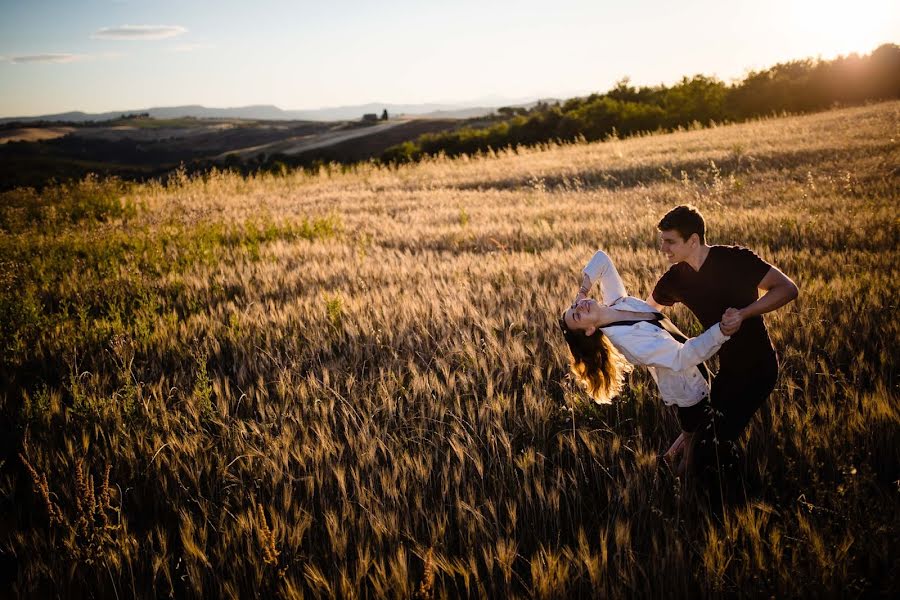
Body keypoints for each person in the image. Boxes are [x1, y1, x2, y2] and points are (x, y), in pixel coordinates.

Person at [646, 205, 798, 483]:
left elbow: (788, 288)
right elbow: (648, 312)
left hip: (759, 369)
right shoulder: (676, 278)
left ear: (693, 240)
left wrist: (744, 313)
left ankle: (725, 496)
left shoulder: (735, 259)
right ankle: (679, 480)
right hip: (727, 371)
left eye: (670, 242)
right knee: (704, 433)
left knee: (712, 445)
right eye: (662, 241)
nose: (663, 248)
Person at [560, 248, 733, 475]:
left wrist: (582, 291)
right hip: (688, 386)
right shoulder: (629, 342)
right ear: (590, 330)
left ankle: (668, 459)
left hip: (695, 367)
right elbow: (682, 357)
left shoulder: (617, 303)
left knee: (692, 430)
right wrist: (721, 331)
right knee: (693, 444)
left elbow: (602, 259)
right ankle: (683, 491)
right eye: (577, 316)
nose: (579, 307)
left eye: (574, 306)